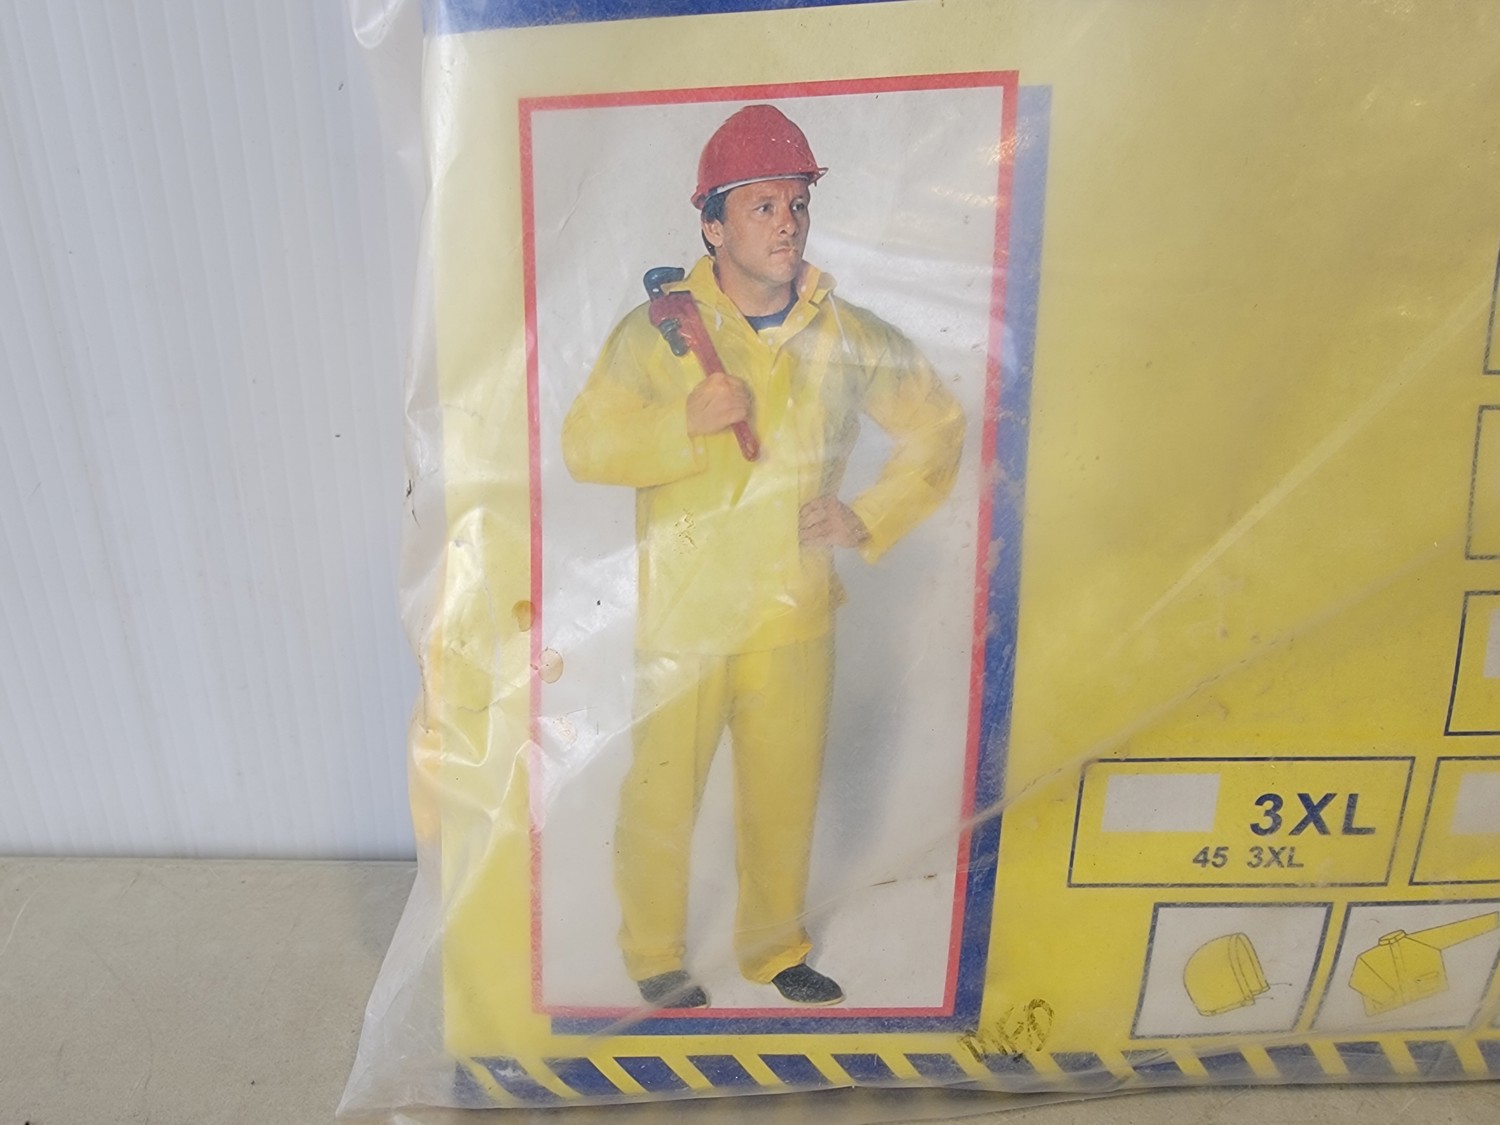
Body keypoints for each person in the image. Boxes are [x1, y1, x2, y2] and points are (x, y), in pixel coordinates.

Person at [562, 104, 966, 1009]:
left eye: (797, 204)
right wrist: (684, 421)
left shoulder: (847, 334)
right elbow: (585, 445)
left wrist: (869, 514)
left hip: (793, 608)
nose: (787, 224)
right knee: (663, 792)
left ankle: (775, 946)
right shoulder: (656, 334)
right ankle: (654, 951)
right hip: (687, 616)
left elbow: (937, 422)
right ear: (713, 225)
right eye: (763, 206)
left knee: (783, 793)